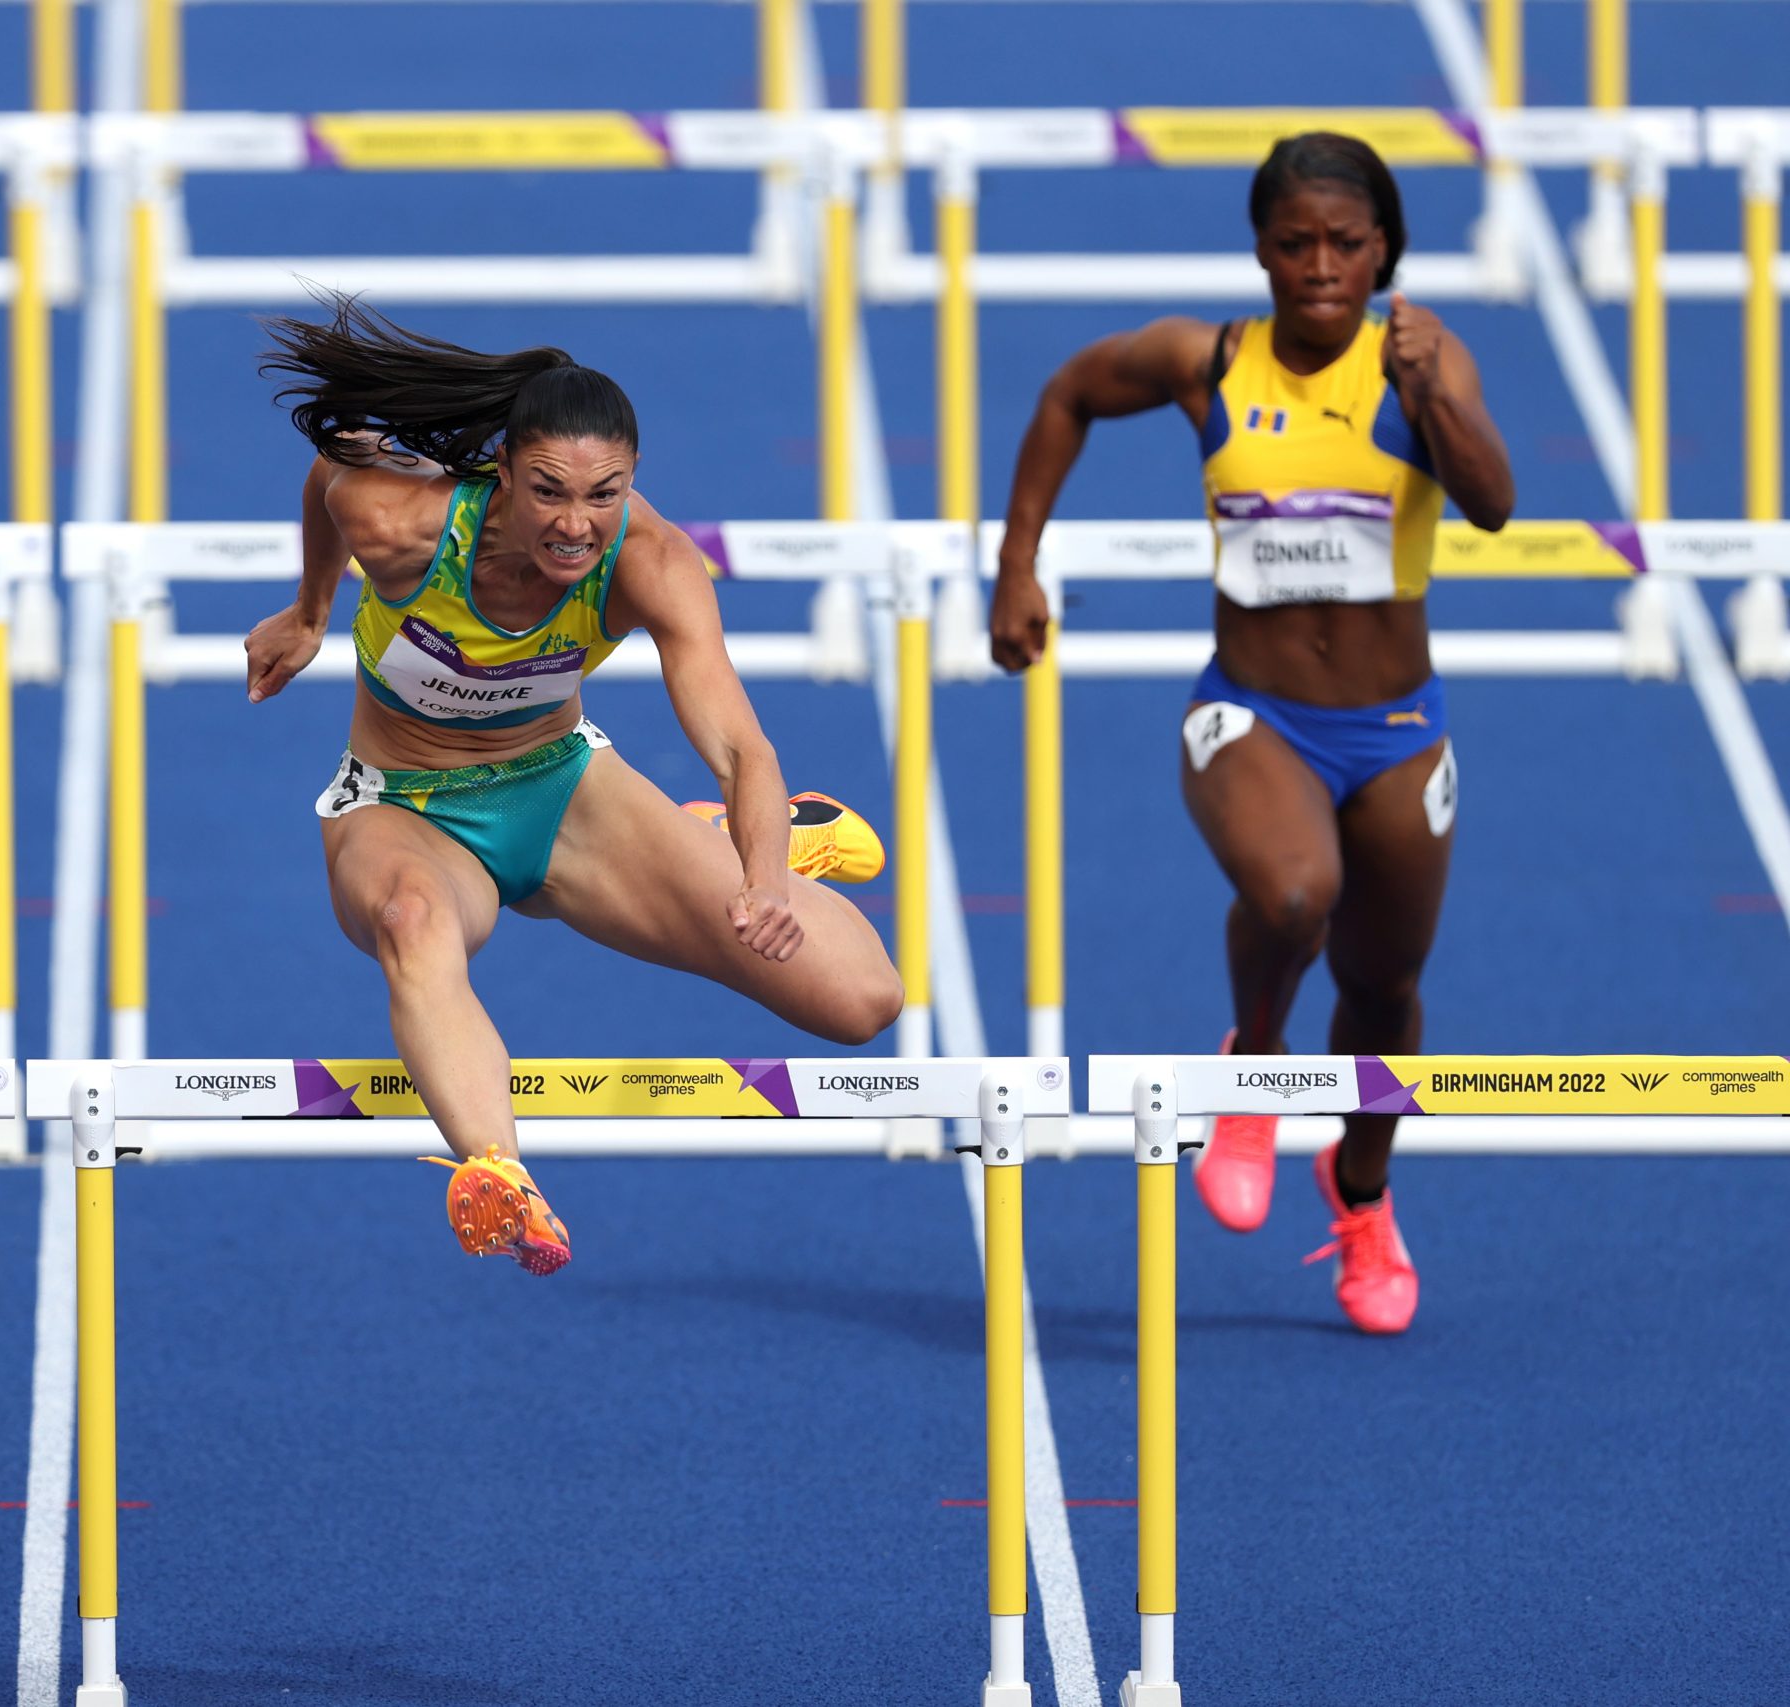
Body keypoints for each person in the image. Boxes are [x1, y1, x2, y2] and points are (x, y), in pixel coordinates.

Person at [246, 295, 903, 1276]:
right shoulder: (404, 523)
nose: (574, 524)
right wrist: (308, 612)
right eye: (549, 490)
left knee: (860, 1001)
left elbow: (742, 745)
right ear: (502, 473)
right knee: (412, 926)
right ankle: (497, 1171)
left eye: (605, 494)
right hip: (404, 809)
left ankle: (731, 840)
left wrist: (761, 877)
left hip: (563, 795)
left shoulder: (652, 563)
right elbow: (329, 478)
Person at [988, 133, 1514, 1335]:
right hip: (1251, 711)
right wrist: (1016, 564)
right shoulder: (1208, 359)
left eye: (1346, 243)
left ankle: (1361, 1195)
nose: (1319, 267)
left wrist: (1432, 394)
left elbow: (1490, 504)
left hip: (1394, 729)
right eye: (1294, 244)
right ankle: (1254, 1069)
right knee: (1291, 896)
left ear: (1385, 249)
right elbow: (1067, 393)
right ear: (1261, 250)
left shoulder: (1418, 361)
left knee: (1385, 985)